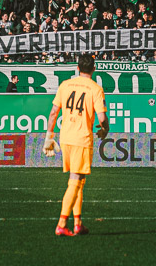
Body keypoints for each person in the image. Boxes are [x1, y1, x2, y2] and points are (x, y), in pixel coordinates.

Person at [44, 53, 108, 237]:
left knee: (79, 179)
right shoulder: (95, 89)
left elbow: (53, 112)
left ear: (78, 68)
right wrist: (105, 129)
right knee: (75, 179)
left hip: (65, 137)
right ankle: (62, 224)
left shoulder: (65, 85)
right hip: (81, 138)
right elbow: (102, 118)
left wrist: (49, 136)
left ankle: (78, 223)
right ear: (94, 69)